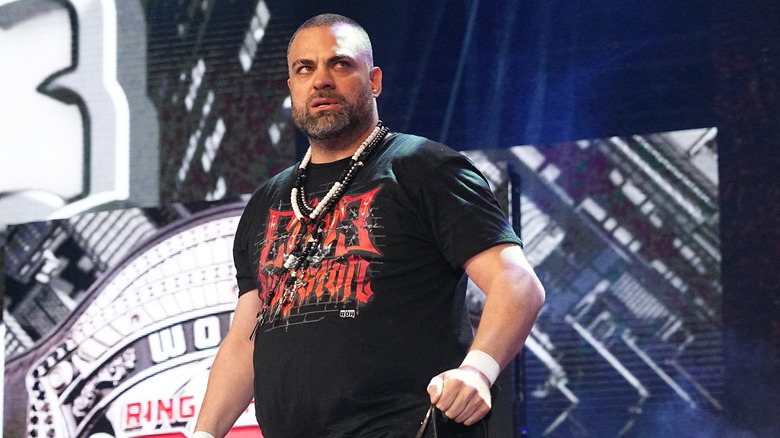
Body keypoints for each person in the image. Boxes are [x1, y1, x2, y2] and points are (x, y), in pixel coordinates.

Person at [193, 13, 545, 438]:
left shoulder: (425, 168)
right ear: (292, 89)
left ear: (374, 80)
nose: (321, 79)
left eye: (340, 64)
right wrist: (203, 434)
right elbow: (245, 340)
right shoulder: (268, 201)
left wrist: (477, 371)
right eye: (305, 68)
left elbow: (517, 282)